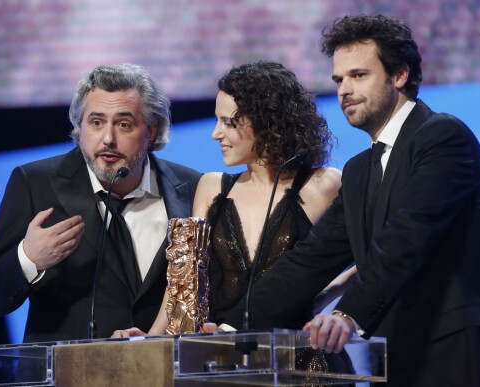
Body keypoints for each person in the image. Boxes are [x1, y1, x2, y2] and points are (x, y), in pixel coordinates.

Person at [218, 15, 480, 386]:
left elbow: (407, 239)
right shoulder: (359, 170)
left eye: (358, 75)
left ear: (400, 75)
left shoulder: (442, 137)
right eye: (339, 80)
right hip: (392, 361)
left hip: (451, 355)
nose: (344, 90)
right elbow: (313, 257)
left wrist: (347, 315)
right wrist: (232, 326)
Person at [0, 64, 202, 342]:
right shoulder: (34, 183)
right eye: (96, 122)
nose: (108, 139)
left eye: (124, 124)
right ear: (80, 127)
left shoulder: (191, 187)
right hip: (69, 374)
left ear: (151, 131)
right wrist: (28, 258)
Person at [112, 61, 342, 337]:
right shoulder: (212, 188)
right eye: (217, 120)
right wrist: (151, 341)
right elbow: (183, 285)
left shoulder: (324, 184)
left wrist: (323, 302)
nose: (215, 133)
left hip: (301, 362)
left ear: (269, 122)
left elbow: (370, 261)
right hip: (225, 360)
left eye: (229, 122)